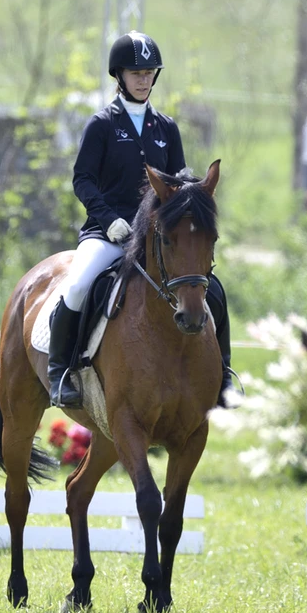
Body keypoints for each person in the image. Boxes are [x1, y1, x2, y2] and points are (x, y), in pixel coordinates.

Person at [47, 30, 236, 410]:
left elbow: (179, 179)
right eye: (136, 73)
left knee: (211, 289)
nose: (143, 79)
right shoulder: (101, 125)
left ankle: (223, 375)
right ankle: (61, 371)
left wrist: (189, 187)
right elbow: (82, 179)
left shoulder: (166, 128)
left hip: (157, 238)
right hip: (107, 233)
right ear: (119, 75)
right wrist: (108, 219)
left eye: (149, 72)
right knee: (81, 283)